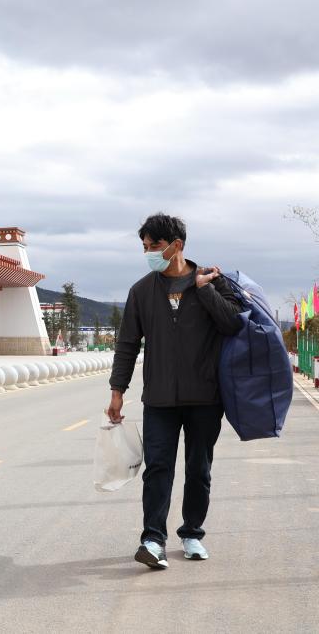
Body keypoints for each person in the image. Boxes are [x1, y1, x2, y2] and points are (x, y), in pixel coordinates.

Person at [107, 213, 242, 570]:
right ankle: (153, 540)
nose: (148, 253)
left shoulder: (213, 281)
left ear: (176, 245)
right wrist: (117, 390)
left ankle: (192, 533)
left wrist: (206, 291)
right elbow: (127, 344)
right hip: (160, 399)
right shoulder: (141, 291)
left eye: (154, 246)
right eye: (144, 247)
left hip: (205, 398)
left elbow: (232, 323)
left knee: (199, 469)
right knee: (157, 469)